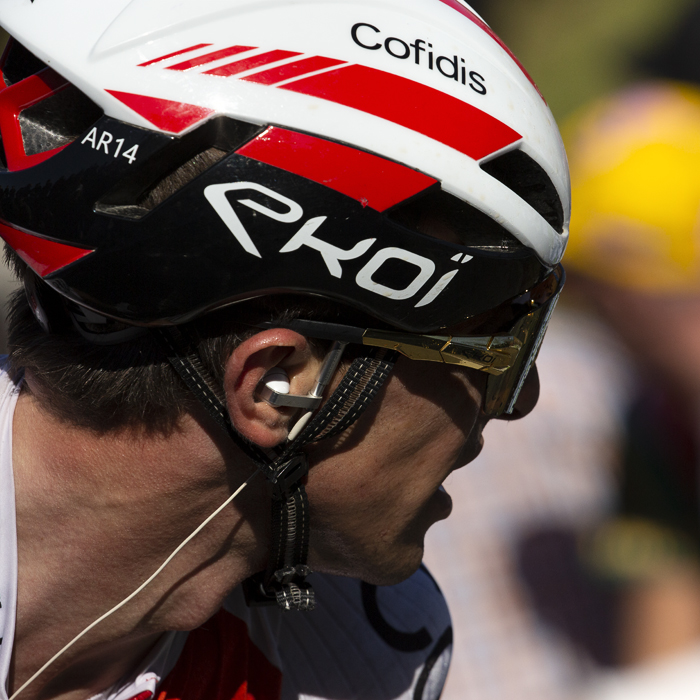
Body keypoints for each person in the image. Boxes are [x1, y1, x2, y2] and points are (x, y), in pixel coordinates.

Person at [0, 1, 569, 698]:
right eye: (493, 346)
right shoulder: (345, 660)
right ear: (280, 384)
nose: (521, 401)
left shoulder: (368, 658)